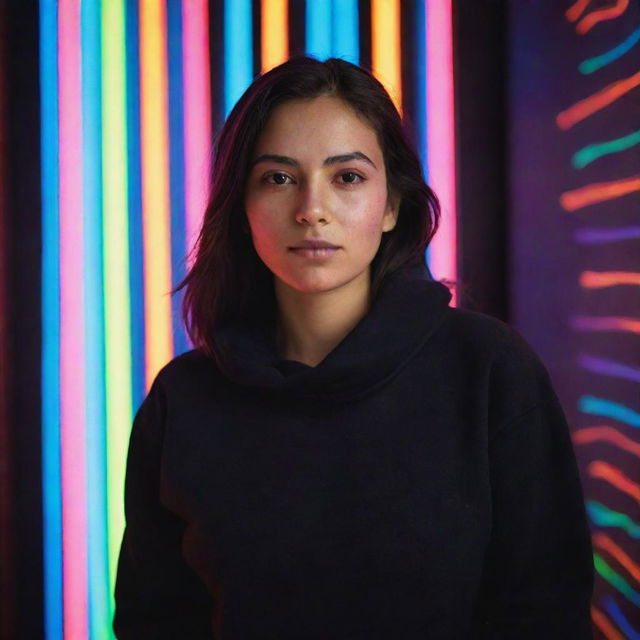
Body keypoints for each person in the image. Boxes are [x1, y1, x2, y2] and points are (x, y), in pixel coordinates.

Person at [112, 56, 595, 639]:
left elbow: (547, 612)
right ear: (240, 208)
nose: (311, 209)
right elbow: (154, 620)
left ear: (392, 205)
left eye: (347, 177)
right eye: (279, 177)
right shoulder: (183, 398)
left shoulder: (489, 370)